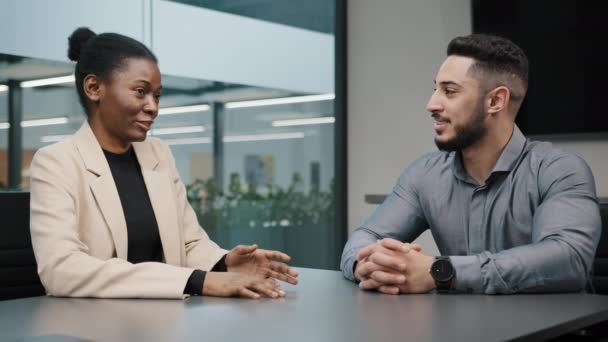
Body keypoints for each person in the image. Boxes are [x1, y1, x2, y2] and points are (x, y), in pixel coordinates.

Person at [29, 27, 298, 299]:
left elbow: (189, 242)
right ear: (94, 88)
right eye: (140, 91)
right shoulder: (57, 162)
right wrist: (197, 281)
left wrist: (222, 263)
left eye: (156, 95)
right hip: (94, 326)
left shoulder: (158, 154)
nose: (153, 107)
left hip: (166, 322)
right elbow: (61, 269)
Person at [340, 33, 601, 294]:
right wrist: (365, 264)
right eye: (435, 89)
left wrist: (440, 271)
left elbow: (568, 260)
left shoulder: (559, 170)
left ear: (495, 101)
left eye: (449, 92)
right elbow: (364, 238)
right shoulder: (425, 175)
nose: (431, 104)